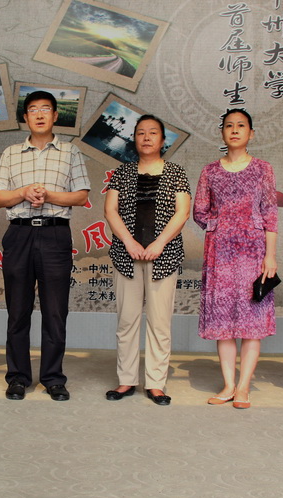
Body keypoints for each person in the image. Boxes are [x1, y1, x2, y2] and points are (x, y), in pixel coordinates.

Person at [0, 90, 90, 401]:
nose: (38, 114)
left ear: (55, 115)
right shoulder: (11, 153)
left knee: (55, 311)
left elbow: (81, 195)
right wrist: (23, 192)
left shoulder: (70, 152)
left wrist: (48, 195)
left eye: (45, 109)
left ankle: (53, 378)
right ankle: (17, 377)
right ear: (25, 117)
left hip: (54, 235)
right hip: (19, 234)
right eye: (33, 109)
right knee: (17, 311)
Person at [104, 115, 191, 406]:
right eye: (141, 132)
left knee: (159, 322)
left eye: (153, 132)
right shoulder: (122, 172)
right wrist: (129, 242)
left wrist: (159, 243)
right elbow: (110, 210)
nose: (146, 137)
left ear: (163, 140)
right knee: (127, 321)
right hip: (126, 256)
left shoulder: (176, 173)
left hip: (163, 256)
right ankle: (126, 379)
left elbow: (182, 212)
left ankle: (155, 383)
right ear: (134, 139)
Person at [194, 109, 278, 409]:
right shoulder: (210, 171)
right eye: (229, 125)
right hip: (220, 254)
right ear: (222, 132)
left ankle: (244, 386)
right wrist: (221, 226)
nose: (234, 130)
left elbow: (270, 214)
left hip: (254, 253)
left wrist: (270, 256)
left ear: (251, 133)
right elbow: (199, 211)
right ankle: (229, 384)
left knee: (251, 321)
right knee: (223, 321)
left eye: (241, 125)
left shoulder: (263, 169)